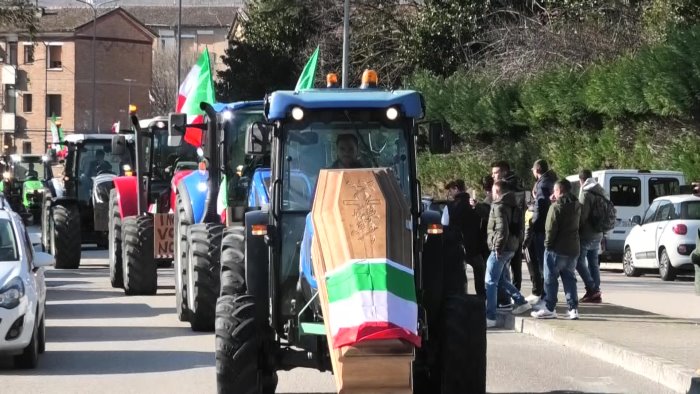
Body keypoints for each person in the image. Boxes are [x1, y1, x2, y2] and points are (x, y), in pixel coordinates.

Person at [531, 179, 581, 320]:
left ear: (560, 191)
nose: (553, 193)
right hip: (573, 248)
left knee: (550, 279)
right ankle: (573, 308)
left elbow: (550, 229)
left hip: (557, 248)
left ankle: (549, 307)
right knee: (569, 278)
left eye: (555, 190)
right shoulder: (577, 205)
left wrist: (547, 245)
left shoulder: (556, 208)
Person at [484, 180, 531, 328]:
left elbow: (502, 230)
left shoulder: (499, 207)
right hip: (511, 247)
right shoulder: (515, 204)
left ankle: (490, 317)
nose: (491, 193)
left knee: (490, 282)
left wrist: (497, 248)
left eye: (492, 190)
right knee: (502, 279)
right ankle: (521, 301)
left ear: (497, 191)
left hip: (501, 249)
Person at [441, 179, 485, 297]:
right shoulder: (474, 205)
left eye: (450, 190)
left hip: (456, 245)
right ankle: (482, 296)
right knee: (479, 270)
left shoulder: (449, 207)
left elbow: (444, 226)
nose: (450, 194)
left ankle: (461, 295)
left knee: (459, 272)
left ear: (456, 188)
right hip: (474, 245)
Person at [491, 160, 526, 307]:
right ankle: (514, 298)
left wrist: (498, 245)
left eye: (496, 173)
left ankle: (512, 299)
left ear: (504, 172)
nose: (493, 176)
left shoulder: (507, 189)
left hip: (509, 235)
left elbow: (502, 223)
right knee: (506, 271)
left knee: (496, 275)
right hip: (516, 232)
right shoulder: (517, 186)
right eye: (492, 173)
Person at [527, 159, 557, 304]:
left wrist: (534, 225)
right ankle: (546, 295)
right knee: (545, 264)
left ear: (536, 170)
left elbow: (541, 206)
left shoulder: (543, 185)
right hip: (547, 227)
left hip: (541, 229)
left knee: (542, 264)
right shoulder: (550, 181)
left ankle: (546, 296)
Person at [576, 169, 605, 303]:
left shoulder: (586, 193)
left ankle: (592, 289)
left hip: (587, 233)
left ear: (581, 180)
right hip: (599, 231)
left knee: (578, 261)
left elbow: (582, 215)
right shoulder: (601, 190)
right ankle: (596, 291)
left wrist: (575, 228)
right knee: (593, 262)